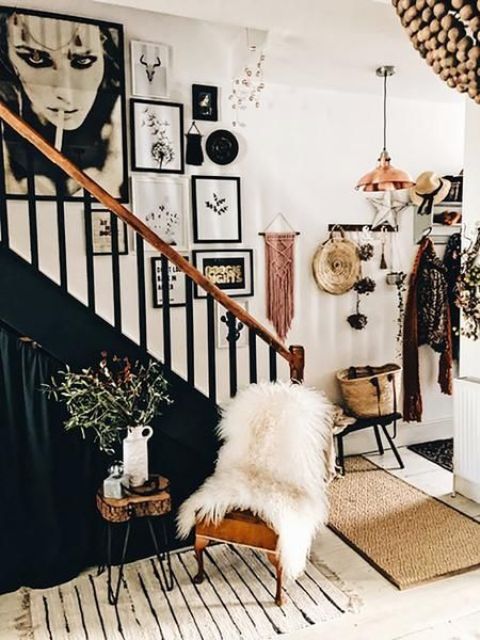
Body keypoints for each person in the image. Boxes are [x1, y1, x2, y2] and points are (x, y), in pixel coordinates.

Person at [0, 10, 126, 199]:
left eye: (83, 60)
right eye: (35, 58)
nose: (66, 93)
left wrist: (112, 177)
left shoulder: (116, 105)